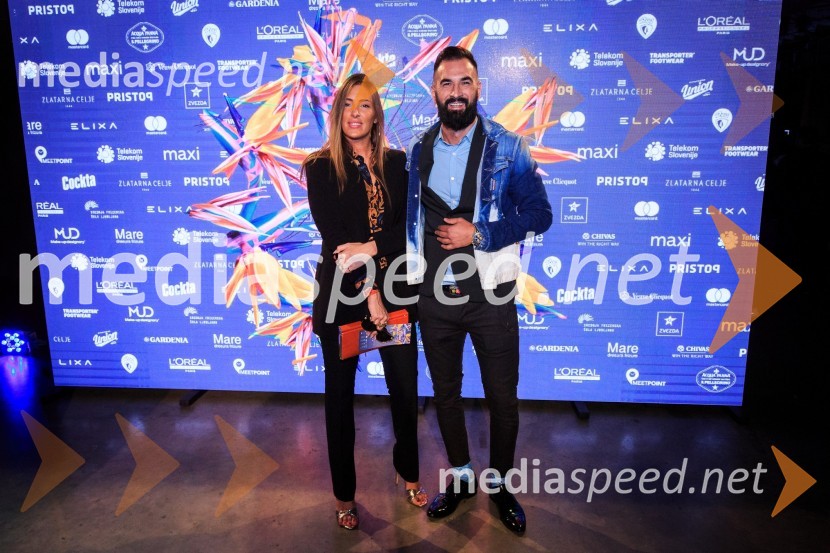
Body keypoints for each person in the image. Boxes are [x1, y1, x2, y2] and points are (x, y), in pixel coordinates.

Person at [404, 46, 552, 535]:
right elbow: (412, 222)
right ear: (434, 91)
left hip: (490, 296)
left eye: (465, 82)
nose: (456, 93)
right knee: (445, 394)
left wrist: (481, 233)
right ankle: (463, 477)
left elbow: (539, 214)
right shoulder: (417, 151)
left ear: (478, 88)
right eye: (446, 84)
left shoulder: (509, 147)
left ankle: (502, 486)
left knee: (501, 399)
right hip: (435, 299)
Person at [303, 73, 427, 531]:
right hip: (344, 300)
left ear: (376, 114)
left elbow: (410, 231)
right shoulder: (319, 167)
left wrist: (373, 250)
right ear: (338, 113)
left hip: (396, 293)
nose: (356, 113)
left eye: (366, 105)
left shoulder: (398, 164)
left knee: (404, 391)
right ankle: (345, 496)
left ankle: (409, 473)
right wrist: (370, 294)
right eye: (348, 105)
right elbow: (338, 243)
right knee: (340, 400)